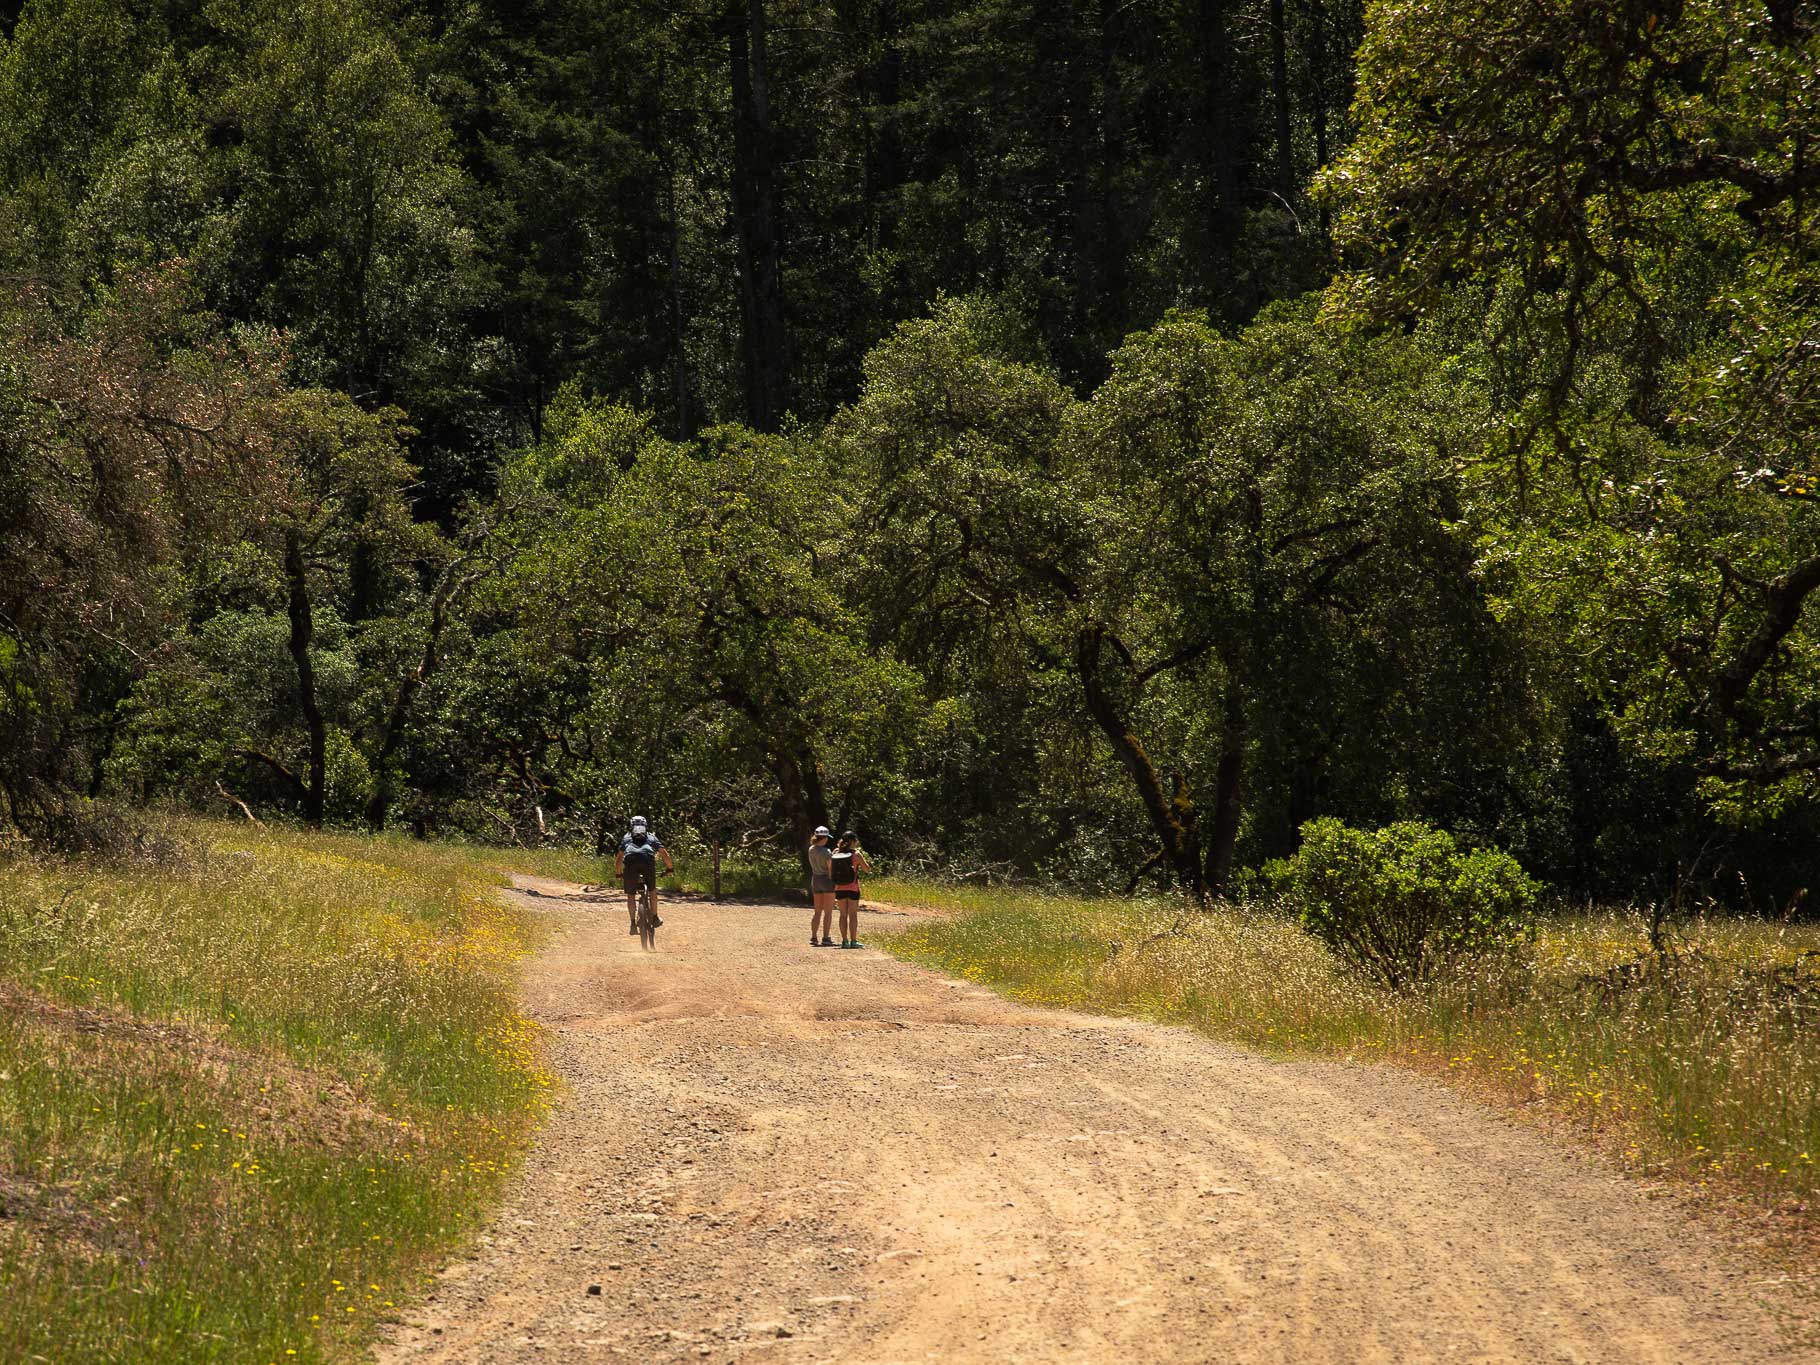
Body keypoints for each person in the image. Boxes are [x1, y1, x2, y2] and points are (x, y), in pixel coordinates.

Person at [615, 816, 675, 934]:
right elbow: (664, 853)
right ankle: (655, 917)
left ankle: (632, 924)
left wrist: (619, 873)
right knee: (652, 891)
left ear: (631, 826)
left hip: (630, 863)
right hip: (648, 861)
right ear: (645, 825)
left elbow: (619, 858)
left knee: (631, 895)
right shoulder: (651, 836)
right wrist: (670, 869)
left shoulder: (627, 837)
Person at [830, 831, 873, 948]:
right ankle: (853, 941)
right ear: (853, 841)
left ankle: (844, 941)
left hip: (839, 888)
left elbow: (830, 869)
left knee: (843, 915)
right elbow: (866, 869)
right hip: (853, 888)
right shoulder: (856, 854)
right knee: (853, 915)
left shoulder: (835, 852)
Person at [807, 826, 836, 947]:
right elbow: (830, 868)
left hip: (815, 879)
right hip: (826, 880)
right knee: (828, 911)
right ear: (823, 838)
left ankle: (814, 936)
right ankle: (825, 937)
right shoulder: (826, 852)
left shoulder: (811, 849)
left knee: (817, 911)